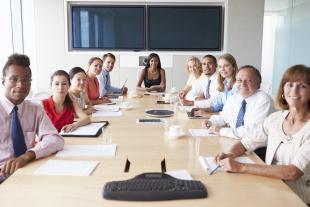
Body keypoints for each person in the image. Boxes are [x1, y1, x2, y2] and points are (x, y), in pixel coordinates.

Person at [214, 65, 310, 205]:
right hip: (272, 186)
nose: (294, 91)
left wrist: (241, 167)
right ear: (283, 89)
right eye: (289, 85)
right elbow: (246, 142)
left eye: (302, 86)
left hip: (299, 199)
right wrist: (230, 155)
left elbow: (292, 172)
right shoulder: (276, 119)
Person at [0, 54, 64, 181]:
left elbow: (55, 139)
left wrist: (27, 156)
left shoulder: (34, 109)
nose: (20, 85)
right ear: (3, 82)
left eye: (26, 80)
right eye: (14, 79)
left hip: (27, 168)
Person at [203, 65, 274, 140]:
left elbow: (252, 132)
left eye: (248, 80)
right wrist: (211, 122)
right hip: (236, 141)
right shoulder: (234, 98)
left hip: (256, 147)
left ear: (258, 83)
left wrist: (221, 131)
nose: (243, 84)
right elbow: (224, 117)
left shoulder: (264, 100)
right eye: (239, 80)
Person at [192, 53, 238, 118]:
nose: (222, 69)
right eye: (220, 66)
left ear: (233, 67)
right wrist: (201, 110)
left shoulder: (238, 86)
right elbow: (217, 107)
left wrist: (207, 114)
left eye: (226, 66)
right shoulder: (223, 84)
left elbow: (231, 114)